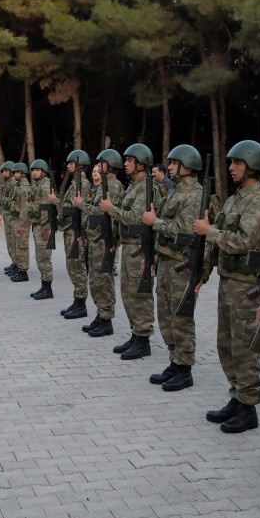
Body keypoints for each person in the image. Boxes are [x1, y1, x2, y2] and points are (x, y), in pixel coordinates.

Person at [195, 141, 260, 432]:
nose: (231, 168)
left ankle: (248, 406)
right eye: (231, 163)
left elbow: (242, 240)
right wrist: (202, 273)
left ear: (252, 166)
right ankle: (236, 395)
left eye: (237, 163)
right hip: (228, 282)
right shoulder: (234, 200)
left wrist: (209, 231)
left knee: (244, 347)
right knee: (226, 344)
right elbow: (216, 240)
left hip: (247, 287)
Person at [144, 144, 204, 391]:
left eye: (173, 163)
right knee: (166, 316)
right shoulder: (174, 192)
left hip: (182, 264)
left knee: (181, 318)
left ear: (186, 166)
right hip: (166, 261)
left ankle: (185, 367)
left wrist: (155, 222)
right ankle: (174, 360)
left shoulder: (195, 195)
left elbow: (183, 229)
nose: (169, 167)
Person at [101, 143, 157, 360]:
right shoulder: (134, 186)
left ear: (141, 163)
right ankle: (136, 334)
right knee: (128, 293)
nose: (125, 164)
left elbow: (136, 218)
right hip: (129, 246)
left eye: (129, 160)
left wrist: (111, 209)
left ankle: (143, 338)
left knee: (139, 294)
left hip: (139, 247)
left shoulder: (145, 187)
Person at [76, 149, 124, 337]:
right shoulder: (105, 184)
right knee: (95, 279)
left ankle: (107, 318)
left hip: (105, 240)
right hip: (95, 238)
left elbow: (103, 212)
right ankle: (100, 314)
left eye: (101, 163)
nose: (98, 166)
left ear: (110, 166)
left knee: (103, 279)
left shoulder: (113, 186)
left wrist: (81, 205)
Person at [50, 151, 92, 319]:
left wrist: (55, 201)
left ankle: (81, 303)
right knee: (72, 266)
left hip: (76, 231)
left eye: (70, 163)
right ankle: (77, 299)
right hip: (70, 229)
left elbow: (81, 209)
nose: (67, 166)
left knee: (77, 266)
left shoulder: (82, 185)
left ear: (79, 164)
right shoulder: (76, 183)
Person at [27, 158, 55, 300]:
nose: (34, 172)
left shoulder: (45, 185)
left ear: (44, 171)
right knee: (40, 257)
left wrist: (45, 227)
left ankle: (48, 288)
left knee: (44, 258)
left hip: (43, 226)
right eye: (33, 170)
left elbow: (47, 208)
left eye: (37, 170)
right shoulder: (37, 185)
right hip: (37, 225)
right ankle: (44, 286)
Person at [7, 163, 32, 282]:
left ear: (23, 174)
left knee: (22, 246)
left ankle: (23, 271)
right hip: (16, 220)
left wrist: (22, 224)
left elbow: (25, 208)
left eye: (17, 172)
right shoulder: (18, 186)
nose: (15, 174)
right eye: (14, 172)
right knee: (17, 245)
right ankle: (18, 267)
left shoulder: (25, 188)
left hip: (22, 222)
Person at [0, 161, 18, 275]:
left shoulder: (14, 184)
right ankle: (14, 262)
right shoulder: (6, 183)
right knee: (9, 241)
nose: (3, 173)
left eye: (5, 171)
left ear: (11, 172)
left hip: (12, 217)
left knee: (14, 241)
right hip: (7, 216)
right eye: (2, 171)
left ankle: (18, 264)